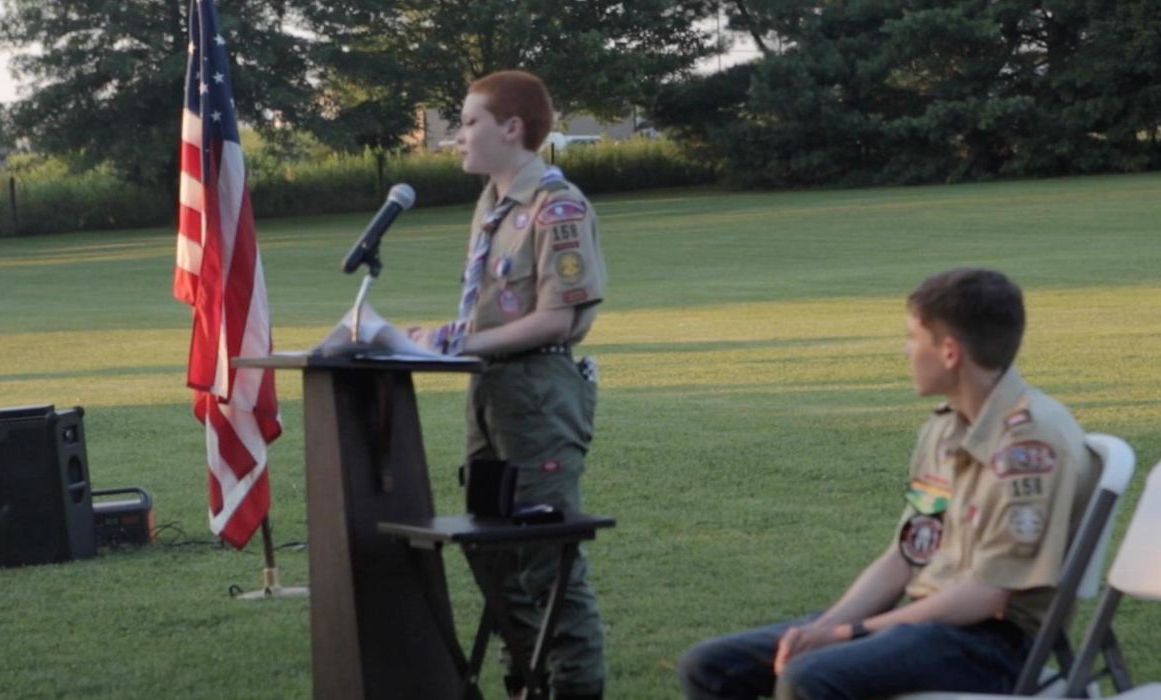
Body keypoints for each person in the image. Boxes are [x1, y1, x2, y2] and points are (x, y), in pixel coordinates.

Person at [678, 268, 1097, 700]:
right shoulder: (946, 427)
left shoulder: (1029, 443)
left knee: (808, 678)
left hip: (994, 644)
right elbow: (907, 554)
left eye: (913, 338)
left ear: (949, 352)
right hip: (927, 624)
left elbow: (987, 596)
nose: (905, 351)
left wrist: (848, 634)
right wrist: (826, 626)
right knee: (709, 666)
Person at [409, 69, 607, 700]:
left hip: (538, 396)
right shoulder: (492, 206)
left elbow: (557, 319)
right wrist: (434, 336)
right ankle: (528, 680)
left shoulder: (557, 205)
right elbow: (491, 314)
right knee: (490, 550)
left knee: (547, 560)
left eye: (470, 123)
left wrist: (457, 344)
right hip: (490, 393)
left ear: (512, 128)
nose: (458, 136)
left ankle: (573, 689)